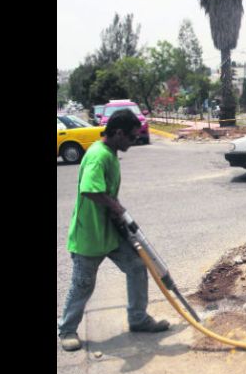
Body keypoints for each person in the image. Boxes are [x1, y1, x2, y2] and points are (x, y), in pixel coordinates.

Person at [58, 109, 170, 352]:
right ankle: (67, 329)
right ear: (118, 133)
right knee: (82, 284)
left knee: (138, 265)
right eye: (132, 136)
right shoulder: (99, 155)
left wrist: (116, 213)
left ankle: (138, 319)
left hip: (110, 232)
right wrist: (116, 207)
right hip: (89, 235)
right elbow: (89, 189)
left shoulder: (110, 153)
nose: (135, 140)